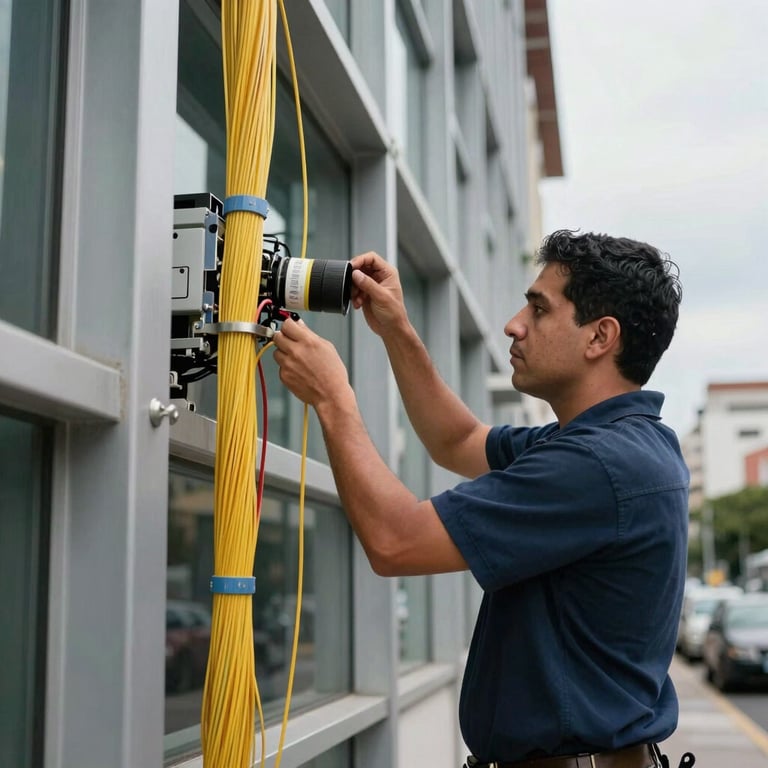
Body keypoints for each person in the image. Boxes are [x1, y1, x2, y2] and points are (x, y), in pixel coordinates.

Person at [272, 230, 689, 768]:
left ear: (599, 337)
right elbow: (458, 440)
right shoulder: (620, 444)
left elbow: (395, 542)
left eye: (538, 309)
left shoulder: (598, 466)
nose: (514, 324)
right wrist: (396, 328)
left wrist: (332, 399)